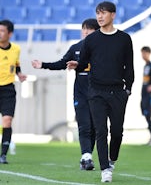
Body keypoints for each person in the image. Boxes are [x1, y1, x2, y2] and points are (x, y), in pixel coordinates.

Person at [67, 1, 134, 183]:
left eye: (103, 13)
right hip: (96, 91)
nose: (100, 16)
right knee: (101, 130)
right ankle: (105, 169)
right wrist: (76, 64)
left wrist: (128, 88)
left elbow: (129, 66)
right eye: (98, 13)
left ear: (113, 15)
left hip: (118, 92)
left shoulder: (124, 39)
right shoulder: (92, 39)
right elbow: (85, 62)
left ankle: (112, 160)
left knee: (117, 131)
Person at [31, 19, 100, 170]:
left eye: (89, 29)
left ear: (97, 31)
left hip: (98, 94)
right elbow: (61, 63)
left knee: (95, 127)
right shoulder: (75, 48)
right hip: (81, 94)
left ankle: (86, 157)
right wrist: (43, 65)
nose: (86, 32)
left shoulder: (103, 49)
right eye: (84, 29)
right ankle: (86, 156)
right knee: (84, 125)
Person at [0, 19, 27, 164]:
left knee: (7, 120)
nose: (0, 33)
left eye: (2, 30)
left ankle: (3, 155)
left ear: (9, 33)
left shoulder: (16, 49)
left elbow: (15, 65)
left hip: (8, 89)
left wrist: (20, 74)